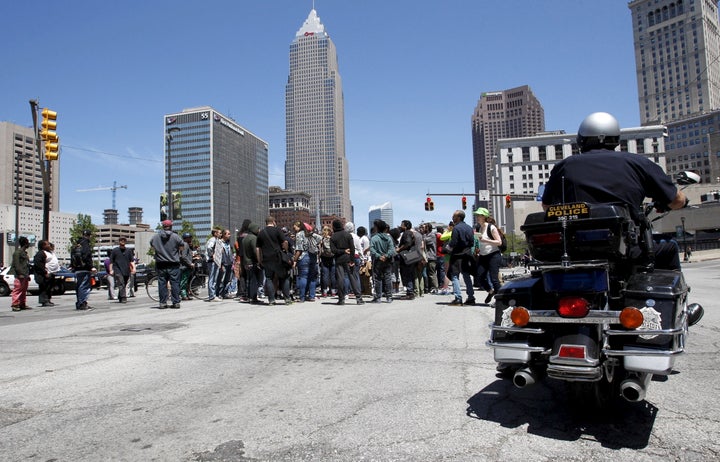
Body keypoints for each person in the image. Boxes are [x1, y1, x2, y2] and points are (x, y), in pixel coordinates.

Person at [541, 112, 688, 270]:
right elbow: (676, 200)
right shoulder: (639, 163)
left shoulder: (564, 166)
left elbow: (547, 206)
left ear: (581, 140)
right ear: (616, 139)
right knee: (670, 246)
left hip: (575, 250)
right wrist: (681, 201)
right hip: (628, 249)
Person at [256, 216, 293, 305]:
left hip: (266, 259)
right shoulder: (277, 230)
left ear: (266, 222)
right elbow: (285, 242)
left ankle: (271, 300)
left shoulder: (261, 233)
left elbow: (258, 248)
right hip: (278, 258)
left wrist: (259, 260)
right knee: (284, 277)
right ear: (273, 221)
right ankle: (287, 299)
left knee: (269, 278)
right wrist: (286, 251)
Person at [149, 220, 184, 309]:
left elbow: (152, 246)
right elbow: (182, 247)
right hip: (173, 263)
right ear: (171, 226)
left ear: (163, 226)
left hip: (161, 264)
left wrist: (159, 251)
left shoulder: (155, 237)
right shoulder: (175, 237)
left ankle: (163, 303)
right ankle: (175, 302)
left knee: (162, 284)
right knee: (175, 283)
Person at [330, 219, 364, 305]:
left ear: (334, 227)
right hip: (348, 259)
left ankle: (341, 299)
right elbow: (352, 248)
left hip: (339, 260)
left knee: (340, 279)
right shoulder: (348, 235)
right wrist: (352, 259)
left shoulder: (333, 237)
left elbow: (333, 250)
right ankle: (359, 298)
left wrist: (342, 251)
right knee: (353, 278)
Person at [473, 207, 503, 305]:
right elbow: (478, 241)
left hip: (493, 255)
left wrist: (485, 240)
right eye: (477, 215)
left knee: (494, 278)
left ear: (484, 216)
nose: (477, 217)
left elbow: (499, 242)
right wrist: (477, 248)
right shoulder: (478, 228)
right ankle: (491, 292)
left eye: (479, 215)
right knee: (480, 277)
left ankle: (500, 301)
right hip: (483, 255)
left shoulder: (491, 227)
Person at [446, 210, 476, 306]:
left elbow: (453, 242)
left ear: (458, 217)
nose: (452, 218)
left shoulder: (456, 228)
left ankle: (458, 298)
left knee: (455, 276)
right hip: (467, 254)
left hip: (457, 255)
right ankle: (471, 297)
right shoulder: (469, 228)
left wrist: (447, 248)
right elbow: (472, 242)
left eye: (454, 216)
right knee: (466, 276)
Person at [369, 219, 396, 303]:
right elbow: (392, 249)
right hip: (387, 261)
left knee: (378, 278)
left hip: (378, 261)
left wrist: (379, 256)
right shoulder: (388, 238)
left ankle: (378, 297)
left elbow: (372, 249)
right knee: (388, 278)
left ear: (377, 228)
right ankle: (389, 297)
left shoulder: (374, 238)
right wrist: (386, 255)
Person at [73, 229, 96, 311]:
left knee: (79, 286)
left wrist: (73, 266)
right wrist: (91, 267)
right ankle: (83, 303)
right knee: (85, 286)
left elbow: (73, 255)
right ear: (89, 236)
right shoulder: (86, 244)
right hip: (85, 268)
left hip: (77, 269)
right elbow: (86, 256)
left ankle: (79, 303)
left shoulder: (77, 244)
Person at [242, 222, 263, 304]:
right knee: (254, 280)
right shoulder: (254, 238)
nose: (259, 230)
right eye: (258, 228)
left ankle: (249, 296)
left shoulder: (245, 238)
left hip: (246, 262)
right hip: (253, 262)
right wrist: (259, 261)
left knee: (249, 280)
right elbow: (255, 251)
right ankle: (253, 297)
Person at [9, 236, 31, 311]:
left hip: (25, 274)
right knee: (17, 289)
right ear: (25, 243)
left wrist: (27, 275)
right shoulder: (17, 253)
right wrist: (20, 273)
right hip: (20, 275)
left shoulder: (24, 253)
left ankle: (22, 303)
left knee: (24, 290)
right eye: (28, 242)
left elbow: (26, 264)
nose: (29, 244)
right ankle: (15, 304)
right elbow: (16, 264)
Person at [110, 236, 134, 303]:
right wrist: (111, 270)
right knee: (121, 282)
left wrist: (133, 268)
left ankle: (120, 296)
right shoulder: (115, 250)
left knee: (124, 283)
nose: (122, 241)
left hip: (126, 270)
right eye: (121, 240)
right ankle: (123, 297)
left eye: (124, 240)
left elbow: (131, 261)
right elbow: (111, 261)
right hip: (117, 269)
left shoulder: (129, 251)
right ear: (119, 241)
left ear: (125, 242)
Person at [33, 240, 55, 307]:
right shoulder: (40, 254)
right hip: (43, 275)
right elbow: (39, 265)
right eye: (47, 244)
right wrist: (45, 272)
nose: (49, 245)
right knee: (44, 288)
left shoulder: (48, 253)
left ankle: (48, 299)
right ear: (43, 246)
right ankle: (44, 301)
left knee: (48, 288)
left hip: (50, 273)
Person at [205, 227, 222, 301]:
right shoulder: (212, 240)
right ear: (215, 233)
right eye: (219, 233)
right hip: (212, 261)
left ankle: (213, 295)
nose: (220, 234)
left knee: (214, 278)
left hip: (215, 262)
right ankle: (212, 296)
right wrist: (212, 256)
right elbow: (209, 248)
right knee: (212, 278)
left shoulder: (217, 240)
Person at [179, 233, 194, 300]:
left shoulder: (187, 245)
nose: (191, 239)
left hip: (186, 266)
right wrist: (190, 263)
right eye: (189, 237)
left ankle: (186, 294)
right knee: (184, 281)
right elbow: (183, 256)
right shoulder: (185, 244)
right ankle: (183, 295)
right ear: (186, 238)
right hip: (184, 266)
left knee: (186, 281)